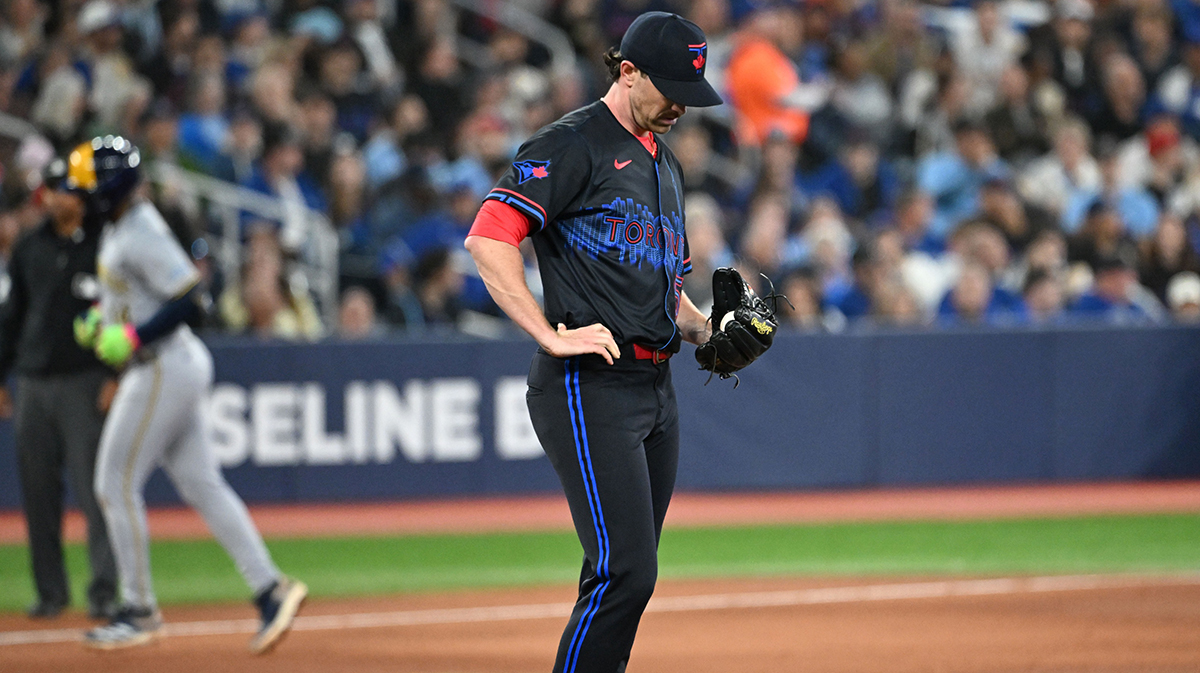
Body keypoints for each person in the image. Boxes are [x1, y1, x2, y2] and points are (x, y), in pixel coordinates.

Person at [464, 12, 725, 673]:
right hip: (591, 385)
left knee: (621, 573)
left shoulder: (664, 163)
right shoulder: (574, 142)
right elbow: (489, 236)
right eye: (668, 89)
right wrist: (547, 333)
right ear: (627, 70)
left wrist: (709, 329)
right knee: (627, 572)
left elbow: (667, 290)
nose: (678, 108)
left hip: (655, 391)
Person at [66, 136, 306, 652]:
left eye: (87, 186)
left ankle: (138, 609)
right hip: (166, 364)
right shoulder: (120, 227)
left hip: (162, 365)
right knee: (201, 483)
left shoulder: (141, 229)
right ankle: (270, 589)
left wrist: (131, 336)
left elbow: (191, 300)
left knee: (113, 482)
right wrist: (101, 322)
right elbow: (134, 296)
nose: (80, 195)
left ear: (108, 188)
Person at [0, 158, 117, 620]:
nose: (54, 197)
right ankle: (50, 593)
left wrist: (115, 375)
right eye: (49, 189)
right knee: (38, 493)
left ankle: (104, 591)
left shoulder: (105, 247)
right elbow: (11, 318)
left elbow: (121, 314)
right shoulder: (30, 247)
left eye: (64, 189)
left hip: (85, 381)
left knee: (96, 490)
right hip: (33, 381)